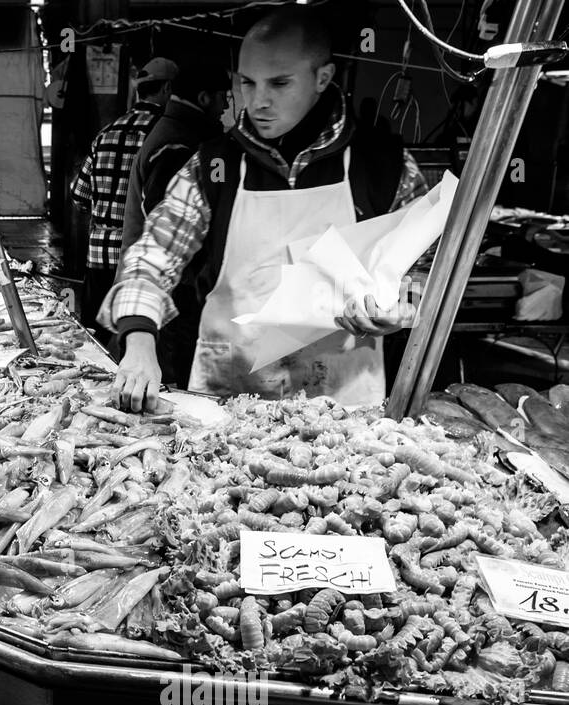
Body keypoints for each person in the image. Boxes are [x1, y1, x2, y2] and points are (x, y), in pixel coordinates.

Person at [101, 5, 429, 411]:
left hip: (346, 421)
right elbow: (150, 259)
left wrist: (400, 307)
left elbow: (426, 272)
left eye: (279, 84)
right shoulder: (212, 168)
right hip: (228, 407)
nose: (259, 102)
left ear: (322, 78)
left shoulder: (385, 167)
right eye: (248, 83)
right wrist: (139, 341)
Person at [119, 61, 232, 387]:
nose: (228, 105)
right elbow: (164, 230)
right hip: (172, 300)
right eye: (225, 96)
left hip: (175, 298)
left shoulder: (179, 133)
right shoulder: (178, 143)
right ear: (204, 97)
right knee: (169, 387)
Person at [70, 56, 178, 331]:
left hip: (99, 252)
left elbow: (79, 195)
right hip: (139, 257)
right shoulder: (164, 136)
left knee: (96, 341)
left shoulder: (105, 134)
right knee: (138, 336)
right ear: (167, 90)